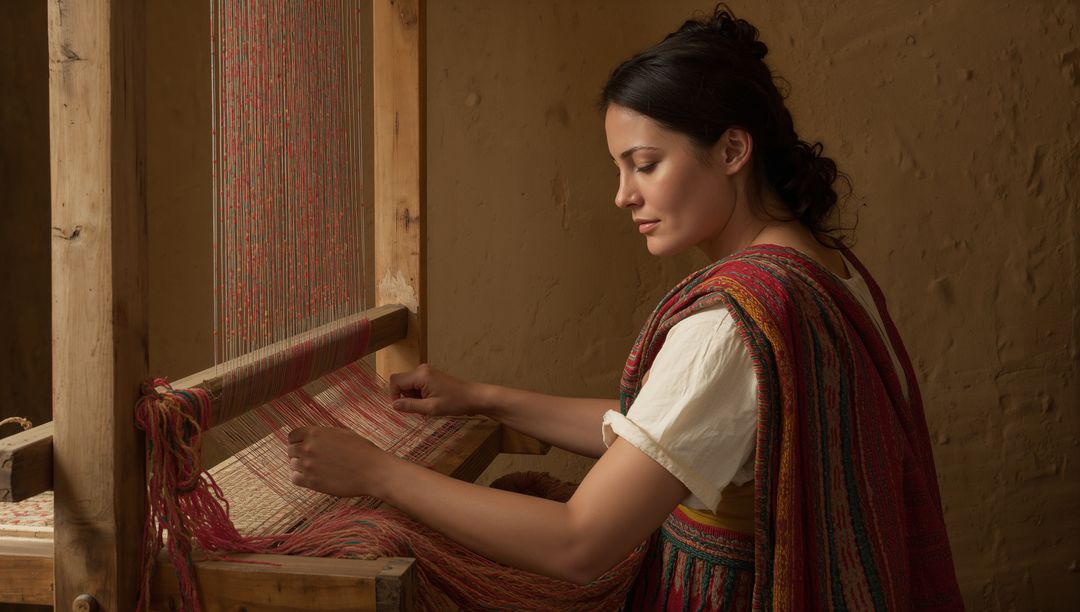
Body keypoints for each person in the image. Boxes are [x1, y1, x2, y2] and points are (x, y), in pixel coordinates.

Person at [287, 6, 963, 610]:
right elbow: (676, 434)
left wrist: (375, 472)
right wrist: (484, 397)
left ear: (731, 150)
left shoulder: (735, 325)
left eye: (644, 164)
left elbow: (579, 544)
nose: (623, 195)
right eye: (620, 168)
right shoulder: (823, 272)